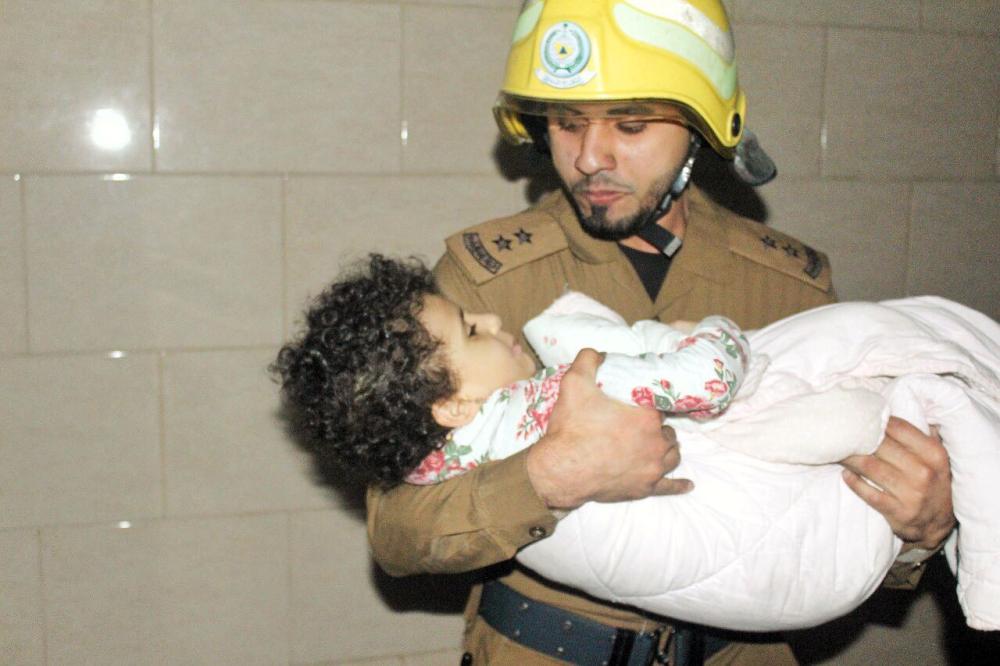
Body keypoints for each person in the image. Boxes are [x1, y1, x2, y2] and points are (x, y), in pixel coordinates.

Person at [366, 1, 956, 663]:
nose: (589, 157)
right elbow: (396, 533)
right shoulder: (483, 287)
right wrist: (545, 477)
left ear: (702, 126)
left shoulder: (788, 284)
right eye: (567, 123)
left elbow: (842, 522)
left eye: (632, 123)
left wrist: (921, 534)